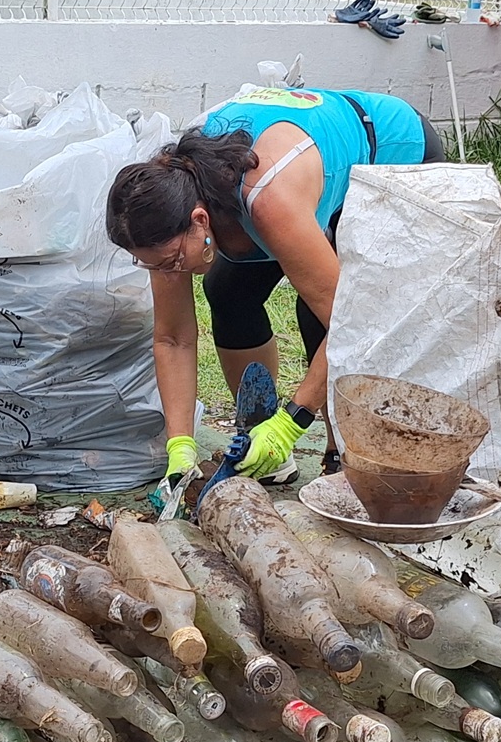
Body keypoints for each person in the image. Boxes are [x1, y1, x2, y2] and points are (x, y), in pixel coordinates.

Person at [104, 86, 438, 491]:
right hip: (296, 179)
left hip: (391, 152)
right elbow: (173, 338)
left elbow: (352, 325)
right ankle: (257, 438)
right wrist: (180, 446)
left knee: (318, 311)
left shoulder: (268, 199)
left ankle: (343, 456)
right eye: (154, 264)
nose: (169, 271)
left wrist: (292, 421)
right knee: (229, 292)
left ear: (199, 219)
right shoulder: (164, 213)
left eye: (172, 261)